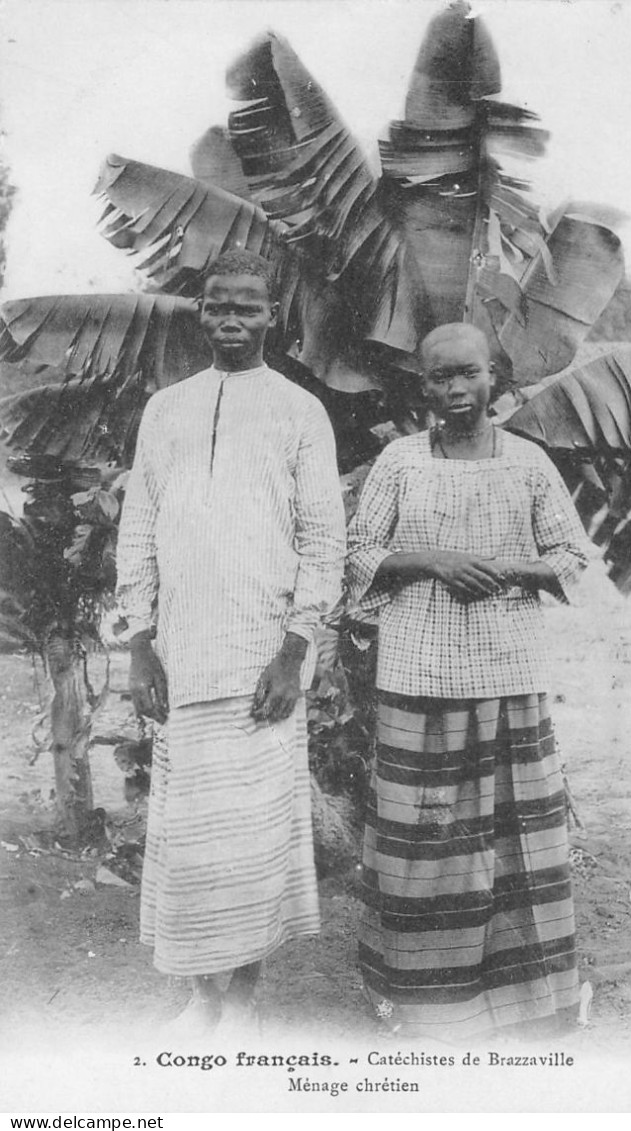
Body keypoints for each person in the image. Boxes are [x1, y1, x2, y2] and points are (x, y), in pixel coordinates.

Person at [115, 249, 346, 1032]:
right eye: (217, 306)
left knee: (250, 836)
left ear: (271, 316)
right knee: (190, 834)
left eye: (247, 306)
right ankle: (199, 992)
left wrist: (295, 649)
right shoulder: (166, 409)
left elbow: (323, 539)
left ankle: (242, 995)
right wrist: (139, 642)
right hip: (183, 658)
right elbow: (138, 528)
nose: (231, 320)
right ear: (200, 312)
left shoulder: (298, 410)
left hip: (260, 661)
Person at [346, 322, 590, 1042]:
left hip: (507, 675)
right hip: (417, 676)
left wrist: (506, 568)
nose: (454, 391)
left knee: (514, 840)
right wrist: (431, 560)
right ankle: (428, 1001)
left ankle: (526, 998)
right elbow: (359, 551)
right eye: (439, 378)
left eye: (468, 375)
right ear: (421, 385)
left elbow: (571, 558)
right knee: (424, 844)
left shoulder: (527, 464)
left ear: (495, 378)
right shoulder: (397, 462)